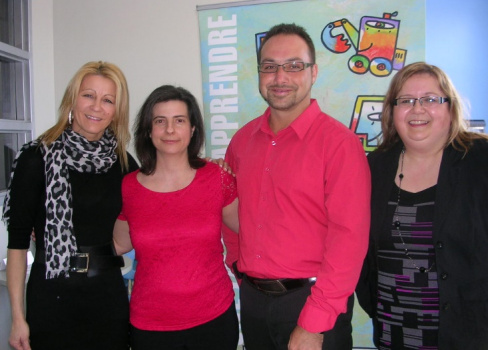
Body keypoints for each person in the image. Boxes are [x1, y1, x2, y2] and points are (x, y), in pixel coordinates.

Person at [223, 23, 371, 350]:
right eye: (270, 67)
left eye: (294, 66)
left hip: (311, 304)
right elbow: (231, 216)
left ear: (313, 72)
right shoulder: (242, 141)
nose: (280, 77)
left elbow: (349, 240)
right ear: (259, 73)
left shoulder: (339, 145)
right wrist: (240, 270)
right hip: (254, 303)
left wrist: (314, 322)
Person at [355, 62, 488, 349]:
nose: (417, 109)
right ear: (392, 111)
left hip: (469, 333)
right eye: (406, 101)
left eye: (431, 99)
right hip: (393, 331)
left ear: (450, 107)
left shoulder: (484, 160)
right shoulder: (374, 168)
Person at [2, 61, 137, 350]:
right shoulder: (36, 158)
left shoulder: (123, 163)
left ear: (116, 110)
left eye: (108, 100)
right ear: (72, 100)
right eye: (88, 95)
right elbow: (17, 245)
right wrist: (17, 317)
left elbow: (146, 213)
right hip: (52, 297)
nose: (97, 107)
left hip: (106, 296)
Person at [113, 85, 240, 350]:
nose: (170, 130)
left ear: (193, 129)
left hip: (214, 320)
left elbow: (250, 227)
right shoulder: (128, 187)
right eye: (160, 121)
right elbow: (117, 243)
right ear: (149, 130)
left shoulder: (217, 178)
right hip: (151, 327)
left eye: (179, 121)